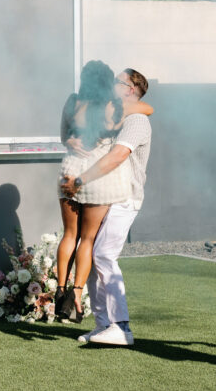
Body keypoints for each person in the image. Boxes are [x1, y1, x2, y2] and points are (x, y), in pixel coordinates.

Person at [60, 68, 152, 346]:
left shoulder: (136, 120)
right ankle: (103, 325)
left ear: (131, 89)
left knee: (102, 255)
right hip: (105, 193)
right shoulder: (112, 110)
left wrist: (81, 179)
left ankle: (121, 326)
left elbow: (116, 156)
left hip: (126, 197)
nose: (112, 84)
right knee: (93, 255)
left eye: (118, 81)